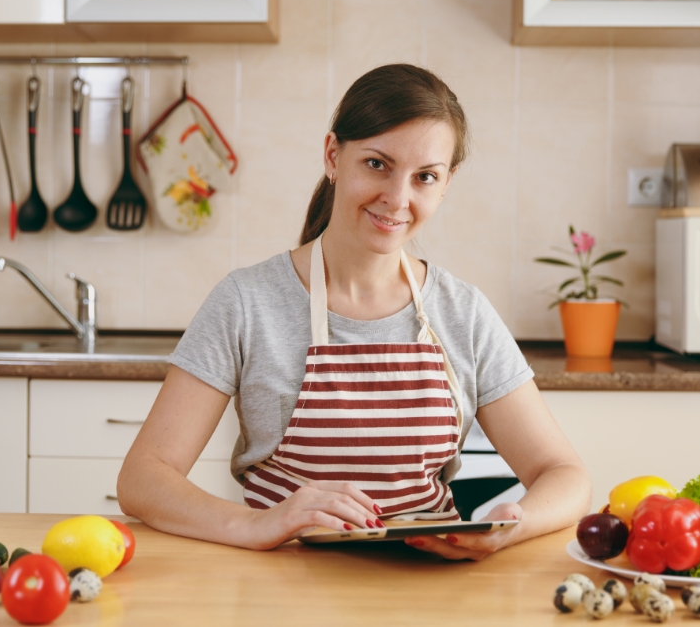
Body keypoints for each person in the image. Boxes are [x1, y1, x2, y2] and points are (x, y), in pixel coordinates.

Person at [118, 64, 592, 560]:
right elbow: (144, 477)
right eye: (377, 164)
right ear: (333, 156)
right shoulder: (246, 301)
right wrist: (257, 525)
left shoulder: (464, 312)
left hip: (429, 586)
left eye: (424, 177)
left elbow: (565, 474)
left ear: (446, 183)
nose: (397, 198)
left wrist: (512, 527)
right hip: (282, 588)